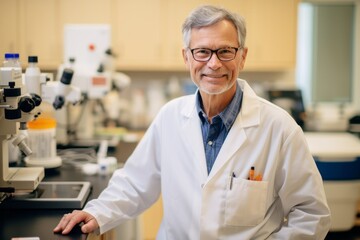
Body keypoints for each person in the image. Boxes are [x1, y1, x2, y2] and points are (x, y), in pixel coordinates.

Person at [54, 5, 331, 239]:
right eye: (202, 52)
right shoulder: (170, 117)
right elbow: (135, 184)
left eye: (225, 51)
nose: (213, 64)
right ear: (186, 57)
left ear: (242, 57)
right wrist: (97, 212)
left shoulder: (279, 128)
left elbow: (311, 214)